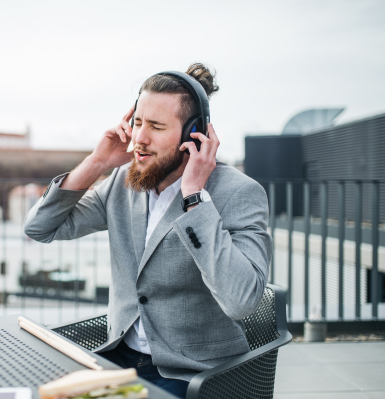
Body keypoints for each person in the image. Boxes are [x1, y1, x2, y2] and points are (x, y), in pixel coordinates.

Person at [24, 63, 272, 399]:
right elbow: (39, 228)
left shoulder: (239, 193)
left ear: (192, 134)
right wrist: (97, 162)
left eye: (156, 126)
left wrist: (195, 197)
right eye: (138, 122)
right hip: (119, 360)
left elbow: (241, 300)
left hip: (194, 373)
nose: (139, 137)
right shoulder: (123, 183)